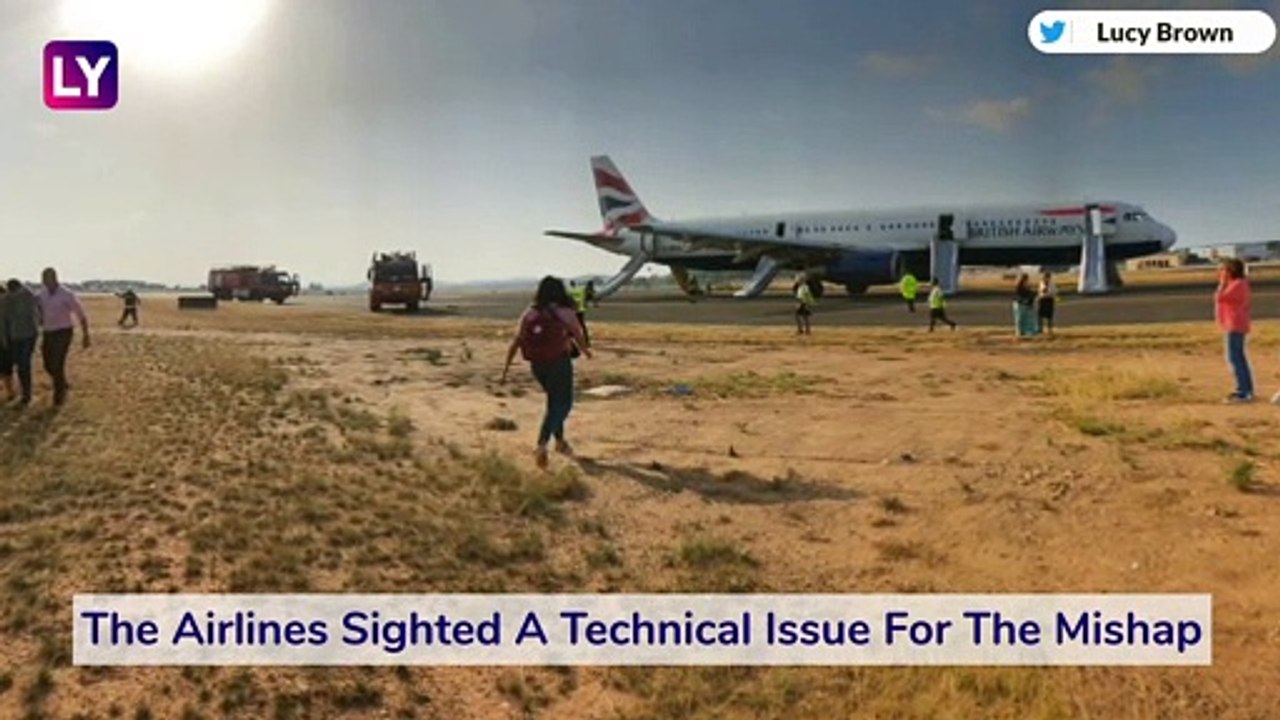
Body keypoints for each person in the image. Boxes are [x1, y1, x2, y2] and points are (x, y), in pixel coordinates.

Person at [502, 276, 592, 469]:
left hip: (537, 365)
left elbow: (517, 340)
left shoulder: (530, 312)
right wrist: (585, 351)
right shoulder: (565, 311)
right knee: (564, 404)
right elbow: (578, 334)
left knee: (553, 401)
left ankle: (560, 442)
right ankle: (542, 445)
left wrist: (506, 368)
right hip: (559, 363)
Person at [35, 267, 90, 406]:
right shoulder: (42, 294)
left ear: (54, 278)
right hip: (48, 332)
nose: (44, 282)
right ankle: (62, 382)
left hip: (63, 332)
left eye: (46, 279)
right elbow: (38, 310)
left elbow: (81, 314)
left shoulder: (66, 294)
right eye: (42, 279)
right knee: (47, 364)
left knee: (58, 363)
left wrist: (85, 335)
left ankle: (58, 396)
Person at [1215, 259, 1253, 403]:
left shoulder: (1237, 285)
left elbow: (1220, 297)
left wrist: (1222, 282)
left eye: (1223, 270)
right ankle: (1245, 389)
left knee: (1235, 358)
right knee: (1239, 357)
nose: (1220, 273)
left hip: (1235, 325)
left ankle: (1243, 391)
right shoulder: (1239, 284)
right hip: (1234, 324)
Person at [3, 279, 38, 406]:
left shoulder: (28, 296)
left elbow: (33, 314)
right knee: (19, 365)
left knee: (24, 365)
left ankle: (27, 395)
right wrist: (5, 339)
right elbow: (3, 321)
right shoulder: (5, 300)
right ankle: (24, 393)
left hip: (28, 336)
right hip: (14, 337)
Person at [1013, 273, 1038, 338]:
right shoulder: (1019, 286)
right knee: (1020, 319)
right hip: (1019, 304)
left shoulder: (1026, 286)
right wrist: (1025, 299)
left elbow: (1030, 293)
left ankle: (1025, 332)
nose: (1027, 281)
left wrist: (1033, 294)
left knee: (1026, 319)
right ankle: (1019, 332)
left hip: (1025, 305)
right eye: (1026, 279)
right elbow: (1020, 296)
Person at [568, 280, 590, 347]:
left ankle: (570, 342)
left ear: (570, 284)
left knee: (571, 326)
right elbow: (585, 298)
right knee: (582, 326)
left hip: (573, 311)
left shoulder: (569, 291)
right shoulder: (581, 290)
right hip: (581, 310)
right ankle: (587, 341)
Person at [1037, 271, 1058, 336]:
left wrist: (1050, 293)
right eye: (1045, 277)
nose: (1047, 279)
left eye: (1048, 277)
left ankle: (1049, 329)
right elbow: (1039, 291)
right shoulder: (1041, 283)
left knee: (1049, 315)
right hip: (1042, 299)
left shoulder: (1052, 284)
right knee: (1040, 315)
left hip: (1049, 300)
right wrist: (1041, 294)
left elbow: (1055, 291)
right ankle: (1040, 328)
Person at [0, 285, 11, 402]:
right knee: (6, 368)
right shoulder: (7, 304)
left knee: (5, 368)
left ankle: (10, 391)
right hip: (5, 341)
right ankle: (10, 391)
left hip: (4, 340)